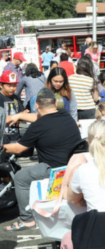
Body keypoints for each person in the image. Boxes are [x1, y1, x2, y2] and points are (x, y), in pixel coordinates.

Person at [3, 88, 81, 232]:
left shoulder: (38, 126)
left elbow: (18, 149)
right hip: (74, 165)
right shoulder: (66, 115)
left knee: (21, 177)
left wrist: (2, 147)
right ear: (55, 104)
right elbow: (42, 117)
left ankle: (26, 220)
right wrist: (20, 115)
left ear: (37, 106)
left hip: (55, 170)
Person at [0, 71, 25, 144]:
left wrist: (22, 115)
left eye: (14, 86)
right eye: (9, 86)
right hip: (3, 137)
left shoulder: (15, 97)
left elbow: (21, 113)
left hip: (15, 135)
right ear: (1, 85)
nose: (12, 88)